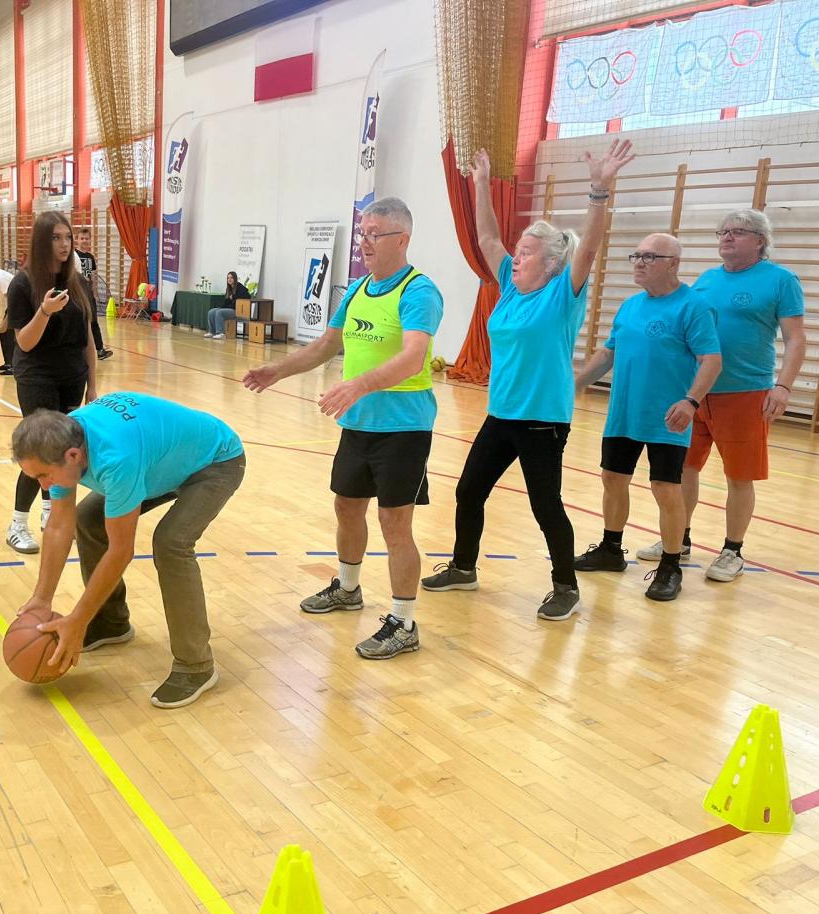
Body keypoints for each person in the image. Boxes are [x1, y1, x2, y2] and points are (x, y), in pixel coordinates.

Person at [420, 140, 635, 621]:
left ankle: (565, 587)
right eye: (517, 252)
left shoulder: (563, 293)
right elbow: (487, 238)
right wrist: (480, 184)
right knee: (468, 491)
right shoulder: (510, 288)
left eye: (527, 253)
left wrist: (599, 190)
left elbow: (590, 247)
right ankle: (463, 567)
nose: (516, 258)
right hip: (501, 415)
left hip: (542, 421)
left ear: (552, 263)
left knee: (545, 506)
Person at [243, 197, 442, 660]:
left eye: (374, 234)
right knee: (347, 506)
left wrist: (360, 385)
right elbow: (325, 345)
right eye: (362, 233)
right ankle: (349, 589)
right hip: (358, 424)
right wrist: (279, 370)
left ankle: (404, 623)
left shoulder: (419, 291)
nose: (364, 242)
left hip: (404, 429)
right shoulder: (356, 290)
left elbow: (414, 357)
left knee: (395, 523)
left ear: (402, 239)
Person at [12, 394, 245, 708]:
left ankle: (196, 666)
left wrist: (78, 619)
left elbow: (121, 551)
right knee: (88, 519)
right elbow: (58, 525)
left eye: (43, 476)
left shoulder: (116, 458)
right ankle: (110, 623)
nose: (43, 486)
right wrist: (42, 597)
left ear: (73, 455)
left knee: (171, 543)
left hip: (215, 461)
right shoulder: (61, 443)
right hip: (161, 463)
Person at [635, 210, 806, 583]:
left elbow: (795, 339)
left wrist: (783, 386)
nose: (727, 237)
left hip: (745, 392)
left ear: (760, 241)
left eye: (738, 232)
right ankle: (679, 539)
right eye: (723, 231)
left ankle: (732, 551)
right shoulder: (708, 279)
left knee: (739, 475)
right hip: (695, 392)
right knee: (683, 469)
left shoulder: (780, 280)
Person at [573, 234, 722, 601]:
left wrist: (691, 402)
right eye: (636, 255)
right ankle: (611, 549)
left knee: (665, 487)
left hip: (668, 416)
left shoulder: (693, 306)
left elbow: (711, 360)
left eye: (650, 257)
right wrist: (573, 385)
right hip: (624, 412)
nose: (639, 262)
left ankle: (671, 565)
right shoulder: (630, 306)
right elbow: (608, 354)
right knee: (612, 478)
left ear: (673, 264)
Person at [4, 211, 98, 554]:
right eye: (56, 238)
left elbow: (88, 338)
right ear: (42, 242)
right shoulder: (23, 284)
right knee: (39, 450)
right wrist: (44, 311)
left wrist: (93, 385)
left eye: (67, 237)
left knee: (64, 455)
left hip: (72, 378)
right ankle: (17, 523)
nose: (64, 244)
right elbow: (24, 343)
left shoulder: (79, 283)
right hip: (37, 377)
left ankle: (50, 513)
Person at [74, 225, 112, 359]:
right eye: (82, 238)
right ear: (77, 240)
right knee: (78, 321)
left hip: (88, 293)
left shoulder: (90, 257)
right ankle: (78, 350)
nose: (84, 241)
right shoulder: (74, 255)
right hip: (77, 293)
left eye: (87, 238)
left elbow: (94, 276)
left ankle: (100, 349)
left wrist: (94, 293)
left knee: (93, 321)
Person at [205, 271, 251, 340]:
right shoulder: (229, 289)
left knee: (219, 312)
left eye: (231, 278)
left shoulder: (240, 287)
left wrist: (234, 297)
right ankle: (212, 332)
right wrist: (220, 307)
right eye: (228, 278)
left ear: (235, 279)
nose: (229, 279)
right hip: (230, 309)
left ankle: (221, 333)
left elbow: (246, 297)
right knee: (211, 312)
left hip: (237, 310)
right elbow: (226, 302)